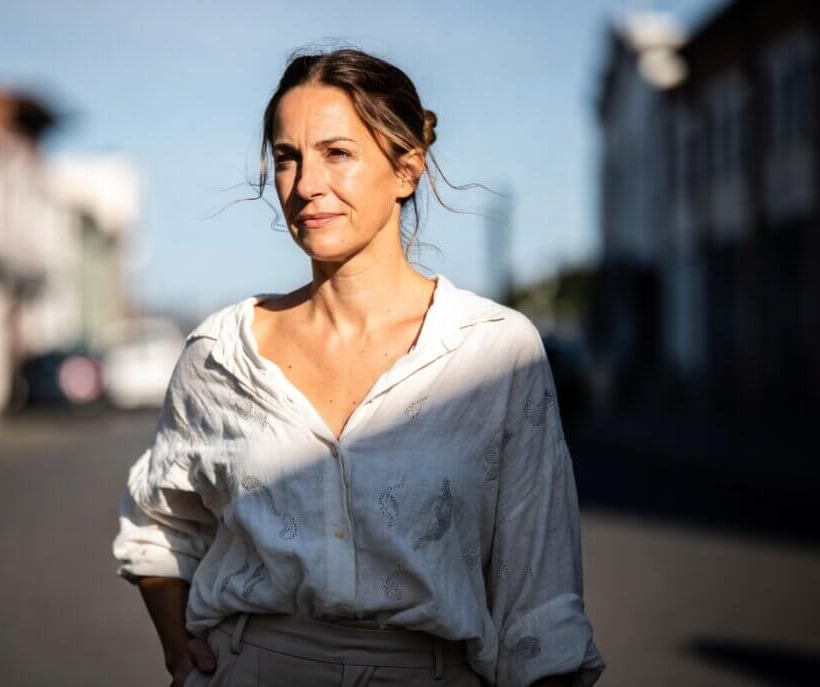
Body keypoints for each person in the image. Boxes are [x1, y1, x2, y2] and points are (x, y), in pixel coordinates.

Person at [112, 47, 606, 687]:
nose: (305, 184)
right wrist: (180, 650)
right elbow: (160, 520)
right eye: (287, 157)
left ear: (406, 170)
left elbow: (540, 589)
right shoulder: (220, 356)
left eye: (337, 153)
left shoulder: (494, 352)